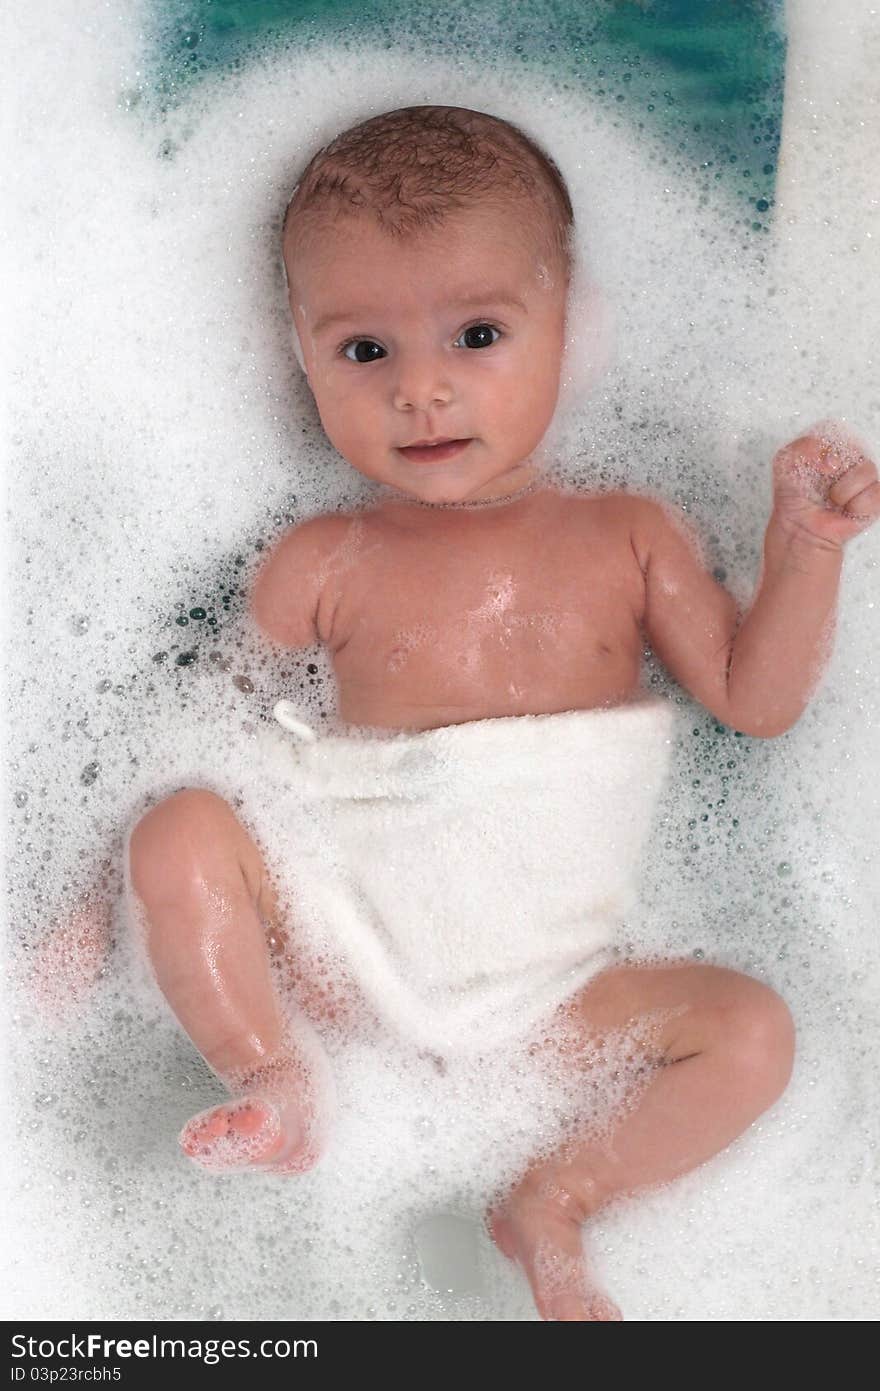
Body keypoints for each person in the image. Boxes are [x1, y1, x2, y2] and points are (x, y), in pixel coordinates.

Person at [127, 106, 879, 1320]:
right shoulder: (324, 557)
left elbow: (756, 698)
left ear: (569, 326)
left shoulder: (628, 533)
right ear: (299, 359)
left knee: (751, 1034)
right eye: (364, 351)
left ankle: (557, 1194)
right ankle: (270, 1073)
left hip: (556, 991)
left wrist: (803, 545)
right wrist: (88, 897)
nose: (422, 389)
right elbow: (193, 733)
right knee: (176, 832)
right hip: (346, 955)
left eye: (476, 334)